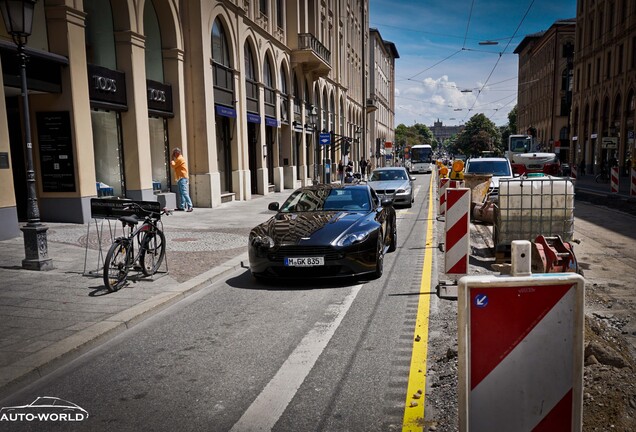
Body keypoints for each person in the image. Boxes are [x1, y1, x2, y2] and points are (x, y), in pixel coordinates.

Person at [171, 147, 193, 212]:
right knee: (181, 193)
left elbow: (174, 166)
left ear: (177, 153)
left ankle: (190, 206)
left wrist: (172, 161)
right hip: (180, 178)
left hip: (182, 177)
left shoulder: (180, 159)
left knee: (184, 192)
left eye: (174, 153)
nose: (173, 155)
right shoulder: (178, 159)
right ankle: (182, 206)